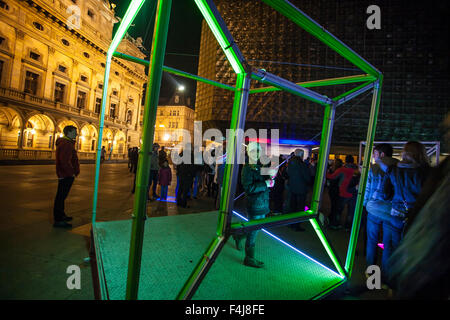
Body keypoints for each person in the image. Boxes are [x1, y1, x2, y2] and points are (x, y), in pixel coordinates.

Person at [376, 141, 430, 283]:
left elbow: (384, 194)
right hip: (417, 216)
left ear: (404, 153)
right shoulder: (426, 171)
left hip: (396, 213)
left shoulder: (394, 170)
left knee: (391, 247)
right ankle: (407, 281)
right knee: (414, 249)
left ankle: (389, 281)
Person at [234, 142, 277, 268]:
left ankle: (238, 237)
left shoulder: (260, 166)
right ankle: (249, 258)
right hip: (253, 205)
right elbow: (249, 188)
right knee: (253, 230)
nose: (256, 153)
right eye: (253, 151)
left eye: (258, 151)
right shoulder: (247, 168)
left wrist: (272, 176)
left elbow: (267, 180)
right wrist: (266, 184)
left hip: (263, 203)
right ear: (249, 153)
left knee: (256, 228)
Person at [363, 144, 399, 281]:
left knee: (372, 240)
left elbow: (368, 188)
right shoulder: (398, 167)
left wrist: (365, 204)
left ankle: (371, 275)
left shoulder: (374, 167)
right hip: (391, 211)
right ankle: (384, 276)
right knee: (387, 244)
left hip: (374, 208)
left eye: (375, 153)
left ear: (382, 154)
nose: (374, 156)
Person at [53, 125, 80, 228]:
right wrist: (71, 173)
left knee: (62, 196)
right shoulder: (66, 144)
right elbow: (64, 161)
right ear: (68, 132)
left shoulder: (66, 143)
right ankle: (58, 219)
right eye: (74, 132)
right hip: (66, 175)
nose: (76, 134)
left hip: (65, 174)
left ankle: (61, 215)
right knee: (60, 197)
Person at [326, 155, 359, 230]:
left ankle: (335, 224)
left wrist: (325, 172)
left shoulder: (342, 169)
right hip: (354, 192)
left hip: (343, 191)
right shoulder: (357, 170)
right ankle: (348, 227)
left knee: (339, 210)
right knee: (351, 211)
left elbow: (332, 177)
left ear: (346, 161)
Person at [286, 149, 311, 231]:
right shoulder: (302, 164)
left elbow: (288, 174)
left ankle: (290, 223)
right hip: (301, 189)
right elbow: (307, 177)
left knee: (292, 206)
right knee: (299, 208)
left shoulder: (290, 163)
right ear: (301, 155)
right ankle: (296, 225)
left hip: (292, 188)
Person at [327, 158, 343, 228]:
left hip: (331, 190)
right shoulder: (340, 171)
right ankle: (333, 222)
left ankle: (331, 220)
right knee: (336, 207)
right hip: (337, 190)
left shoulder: (331, 170)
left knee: (333, 206)